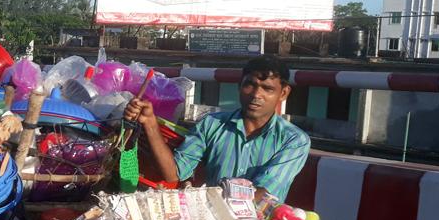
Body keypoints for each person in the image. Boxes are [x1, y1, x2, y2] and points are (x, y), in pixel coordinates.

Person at [125, 55, 309, 201]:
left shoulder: (294, 140)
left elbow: (263, 193)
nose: (256, 95)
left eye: (267, 89)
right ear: (240, 85)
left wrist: (199, 199)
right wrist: (150, 123)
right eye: (250, 85)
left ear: (283, 93)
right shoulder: (211, 124)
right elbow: (173, 174)